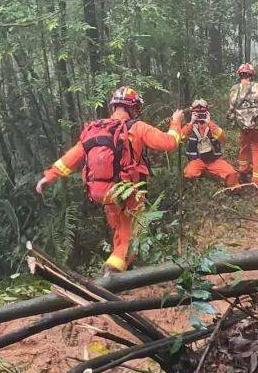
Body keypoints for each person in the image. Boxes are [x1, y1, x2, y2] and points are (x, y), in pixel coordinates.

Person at [36, 86, 184, 273]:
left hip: (101, 192)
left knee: (120, 231)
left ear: (113, 106)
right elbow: (170, 142)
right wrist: (175, 122)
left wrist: (49, 176)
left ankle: (123, 272)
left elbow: (72, 157)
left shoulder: (95, 129)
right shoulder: (137, 127)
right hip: (127, 190)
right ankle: (113, 271)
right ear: (134, 107)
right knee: (131, 234)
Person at [180, 99, 239, 187]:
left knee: (231, 173)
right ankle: (201, 181)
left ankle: (234, 191)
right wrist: (192, 122)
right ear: (192, 112)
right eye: (196, 112)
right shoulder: (190, 127)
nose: (200, 114)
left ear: (207, 112)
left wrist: (209, 122)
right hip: (197, 160)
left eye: (203, 112)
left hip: (214, 160)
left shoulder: (212, 125)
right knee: (189, 174)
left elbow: (223, 138)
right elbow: (181, 138)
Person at [227, 63, 258, 187]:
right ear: (252, 75)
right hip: (257, 126)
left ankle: (243, 170)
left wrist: (234, 123)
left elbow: (231, 109)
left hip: (242, 126)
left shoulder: (234, 89)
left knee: (244, 146)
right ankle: (257, 181)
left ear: (240, 75)